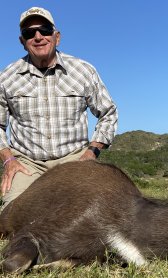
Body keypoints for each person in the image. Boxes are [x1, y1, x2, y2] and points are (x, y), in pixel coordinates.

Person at [0, 7, 118, 208]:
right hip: (28, 163)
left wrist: (91, 153)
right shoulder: (7, 78)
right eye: (29, 33)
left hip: (73, 160)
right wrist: (8, 159)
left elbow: (108, 113)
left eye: (45, 30)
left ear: (57, 37)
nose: (38, 37)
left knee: (93, 211)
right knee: (13, 215)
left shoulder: (83, 71)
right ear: (22, 42)